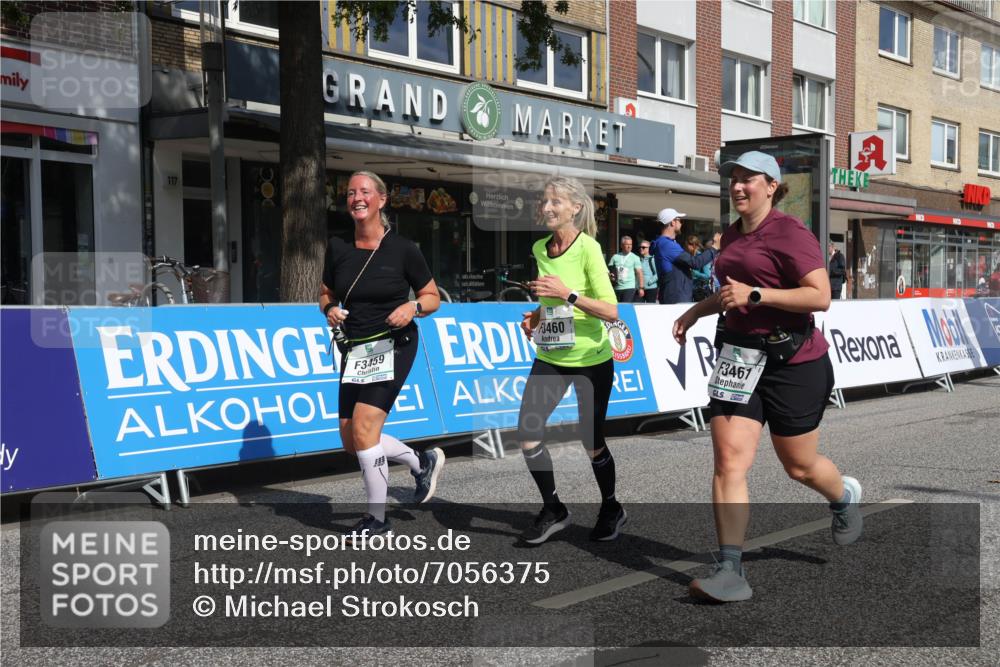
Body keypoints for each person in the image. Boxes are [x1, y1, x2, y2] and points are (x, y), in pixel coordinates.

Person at [671, 151, 862, 603]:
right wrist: (695, 312)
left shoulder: (790, 232)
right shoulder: (732, 235)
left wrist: (757, 295)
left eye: (748, 179)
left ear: (772, 186)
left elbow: (820, 296)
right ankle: (730, 570)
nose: (737, 187)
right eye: (733, 179)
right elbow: (730, 292)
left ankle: (843, 498)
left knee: (799, 466)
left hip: (792, 362)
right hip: (738, 358)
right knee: (729, 461)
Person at [319, 170, 446, 539]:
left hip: (394, 345)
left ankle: (377, 519)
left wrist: (412, 307)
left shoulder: (403, 249)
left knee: (364, 429)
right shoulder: (338, 247)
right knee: (351, 439)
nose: (356, 198)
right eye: (350, 193)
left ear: (381, 200)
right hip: (356, 349)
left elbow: (432, 297)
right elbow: (326, 292)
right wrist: (329, 309)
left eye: (364, 192)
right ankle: (420, 462)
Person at [517, 175, 625, 544]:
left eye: (555, 202)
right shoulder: (540, 248)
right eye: (544, 201)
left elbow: (610, 310)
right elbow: (551, 301)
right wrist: (536, 316)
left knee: (591, 440)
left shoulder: (589, 249)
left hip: (591, 359)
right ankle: (553, 509)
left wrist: (569, 294)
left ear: (575, 208)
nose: (546, 208)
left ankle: (611, 507)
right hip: (551, 354)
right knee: (528, 434)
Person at [652, 207, 719, 304]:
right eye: (679, 220)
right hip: (676, 298)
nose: (681, 223)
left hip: (675, 296)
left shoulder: (665, 244)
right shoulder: (667, 245)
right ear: (672, 222)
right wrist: (715, 248)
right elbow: (695, 262)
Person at [607, 235, 644, 303]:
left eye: (630, 244)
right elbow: (609, 270)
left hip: (629, 287)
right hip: (617, 287)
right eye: (627, 244)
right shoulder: (615, 257)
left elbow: (639, 273)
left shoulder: (635, 257)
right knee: (617, 307)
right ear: (621, 245)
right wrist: (610, 276)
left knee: (625, 307)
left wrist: (641, 288)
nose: (629, 246)